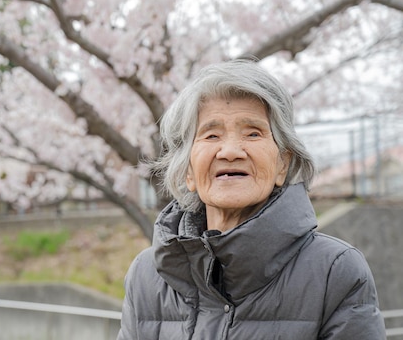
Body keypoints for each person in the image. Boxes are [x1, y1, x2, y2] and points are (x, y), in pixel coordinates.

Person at [117, 60, 385, 339]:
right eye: (211, 134)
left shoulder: (335, 272)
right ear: (188, 172)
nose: (231, 151)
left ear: (283, 164)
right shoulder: (147, 275)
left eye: (253, 133)